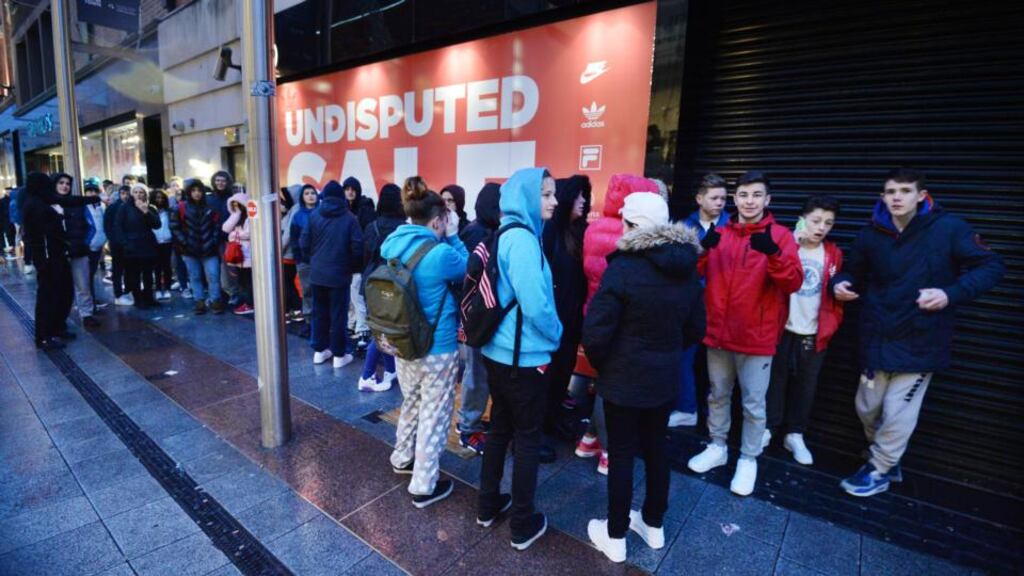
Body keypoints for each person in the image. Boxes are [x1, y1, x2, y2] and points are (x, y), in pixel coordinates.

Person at [832, 168, 1004, 497]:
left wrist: (950, 293)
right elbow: (852, 270)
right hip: (877, 335)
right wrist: (838, 283)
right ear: (883, 196)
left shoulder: (949, 228)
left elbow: (992, 266)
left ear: (921, 195)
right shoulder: (871, 233)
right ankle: (888, 456)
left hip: (922, 338)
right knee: (866, 407)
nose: (897, 197)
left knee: (898, 411)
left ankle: (880, 468)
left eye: (905, 191)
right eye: (891, 191)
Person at [583, 193, 705, 563]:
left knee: (620, 455)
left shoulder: (624, 267)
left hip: (624, 379)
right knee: (657, 449)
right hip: (664, 378)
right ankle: (653, 525)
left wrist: (608, 366)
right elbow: (695, 328)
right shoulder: (687, 265)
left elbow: (596, 333)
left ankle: (616, 535)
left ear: (632, 226)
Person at [687, 170, 803, 497]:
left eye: (756, 195)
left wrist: (774, 254)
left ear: (767, 200)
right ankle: (718, 446)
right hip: (718, 334)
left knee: (753, 404)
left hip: (756, 338)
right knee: (717, 394)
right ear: (734, 199)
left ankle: (749, 458)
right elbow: (691, 272)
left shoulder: (780, 236)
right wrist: (702, 250)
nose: (749, 201)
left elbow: (793, 282)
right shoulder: (720, 233)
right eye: (743, 195)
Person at [477, 167, 562, 551]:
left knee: (499, 430)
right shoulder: (524, 241)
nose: (553, 201)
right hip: (523, 359)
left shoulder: (503, 233)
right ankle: (522, 524)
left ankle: (488, 505)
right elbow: (537, 305)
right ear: (528, 197)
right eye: (545, 194)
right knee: (526, 440)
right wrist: (558, 335)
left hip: (497, 352)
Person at [380, 179, 467, 507]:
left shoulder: (392, 243)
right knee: (436, 411)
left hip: (403, 343)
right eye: (444, 220)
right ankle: (424, 483)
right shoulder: (442, 253)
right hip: (437, 347)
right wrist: (455, 235)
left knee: (412, 401)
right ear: (437, 221)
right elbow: (469, 267)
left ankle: (402, 457)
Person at [572, 174, 662, 475]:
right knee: (608, 386)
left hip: (593, 311)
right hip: (622, 321)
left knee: (597, 379)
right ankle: (608, 451)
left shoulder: (593, 228)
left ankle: (589, 438)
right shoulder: (635, 236)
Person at [763, 195, 845, 466]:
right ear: (803, 219)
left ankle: (795, 434)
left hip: (813, 331)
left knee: (806, 387)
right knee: (774, 383)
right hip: (781, 328)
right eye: (816, 221)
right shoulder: (788, 246)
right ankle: (769, 429)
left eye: (828, 223)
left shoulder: (833, 254)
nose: (821, 227)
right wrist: (792, 247)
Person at [675, 174, 731, 428]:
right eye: (714, 197)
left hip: (723, 307)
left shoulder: (733, 226)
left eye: (723, 198)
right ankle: (687, 409)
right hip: (689, 305)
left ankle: (716, 420)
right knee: (684, 358)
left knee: (719, 367)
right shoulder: (684, 226)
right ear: (700, 198)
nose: (720, 202)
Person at [21, 172, 100, 349]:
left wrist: (92, 199)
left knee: (63, 293)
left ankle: (56, 328)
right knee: (49, 297)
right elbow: (42, 232)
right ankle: (44, 336)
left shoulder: (41, 200)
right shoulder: (35, 204)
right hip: (48, 258)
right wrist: (58, 217)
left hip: (56, 255)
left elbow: (68, 201)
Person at [543, 175, 591, 439]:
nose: (583, 201)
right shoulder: (550, 232)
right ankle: (540, 430)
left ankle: (552, 421)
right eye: (578, 195)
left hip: (571, 322)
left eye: (585, 195)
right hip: (553, 323)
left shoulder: (580, 232)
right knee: (548, 379)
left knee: (562, 376)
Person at [456, 182, 502, 455]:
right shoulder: (476, 235)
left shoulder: (486, 231)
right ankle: (468, 428)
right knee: (476, 374)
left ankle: (472, 422)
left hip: (480, 318)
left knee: (480, 373)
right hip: (475, 319)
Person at [300, 180, 363, 368]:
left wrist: (314, 261)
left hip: (318, 273)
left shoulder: (314, 216)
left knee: (319, 313)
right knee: (338, 315)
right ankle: (339, 355)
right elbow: (358, 248)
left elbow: (303, 243)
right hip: (340, 275)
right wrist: (351, 268)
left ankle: (319, 351)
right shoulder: (350, 218)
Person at [357, 183, 405, 392]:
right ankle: (366, 375)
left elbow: (365, 256)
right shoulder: (402, 229)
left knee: (379, 328)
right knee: (383, 332)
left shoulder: (371, 226)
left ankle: (391, 369)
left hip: (371, 283)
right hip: (391, 285)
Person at [171, 179, 224, 315]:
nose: (197, 193)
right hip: (189, 250)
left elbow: (217, 226)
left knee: (213, 275)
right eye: (193, 190)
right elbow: (175, 227)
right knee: (194, 277)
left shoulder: (210, 207)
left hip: (209, 249)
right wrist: (185, 242)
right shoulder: (181, 207)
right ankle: (199, 301)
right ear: (189, 192)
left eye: (199, 190)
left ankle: (215, 300)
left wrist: (213, 241)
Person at [54, 173, 99, 328]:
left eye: (67, 183)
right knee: (60, 288)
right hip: (57, 253)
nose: (64, 186)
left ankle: (87, 314)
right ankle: (60, 318)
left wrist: (84, 244)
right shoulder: (49, 204)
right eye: (61, 182)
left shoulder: (79, 204)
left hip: (79, 251)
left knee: (83, 285)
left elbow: (91, 226)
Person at [343, 176, 375, 350]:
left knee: (358, 297)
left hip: (360, 261)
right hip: (348, 261)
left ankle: (362, 329)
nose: (349, 192)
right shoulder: (344, 209)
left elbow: (366, 238)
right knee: (351, 297)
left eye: (352, 189)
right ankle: (352, 323)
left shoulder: (365, 208)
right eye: (347, 189)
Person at [117, 184, 161, 309]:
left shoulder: (150, 207)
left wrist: (146, 212)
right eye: (135, 192)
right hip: (131, 246)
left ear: (145, 194)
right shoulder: (124, 208)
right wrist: (124, 243)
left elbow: (157, 224)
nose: (138, 194)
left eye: (141, 192)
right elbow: (118, 227)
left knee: (148, 274)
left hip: (147, 244)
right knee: (134, 275)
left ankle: (149, 297)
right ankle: (138, 299)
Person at [208, 170, 239, 306]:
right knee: (213, 269)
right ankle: (218, 295)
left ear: (228, 182)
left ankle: (233, 293)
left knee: (228, 269)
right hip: (211, 238)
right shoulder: (209, 199)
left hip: (228, 239)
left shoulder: (233, 198)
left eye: (223, 180)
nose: (220, 183)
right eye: (218, 180)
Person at [290, 184, 319, 324]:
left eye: (312, 193)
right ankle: (308, 319)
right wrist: (299, 258)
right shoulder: (297, 216)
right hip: (304, 260)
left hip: (320, 259)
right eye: (307, 193)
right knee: (307, 290)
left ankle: (321, 319)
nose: (310, 196)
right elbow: (293, 239)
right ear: (302, 197)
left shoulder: (322, 213)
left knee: (321, 290)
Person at [222, 191, 254, 315]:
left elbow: (249, 233)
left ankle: (250, 304)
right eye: (233, 204)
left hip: (248, 253)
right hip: (238, 255)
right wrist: (236, 214)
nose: (236, 206)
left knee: (248, 281)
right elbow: (225, 228)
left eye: (238, 204)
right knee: (242, 281)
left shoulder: (250, 217)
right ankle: (248, 302)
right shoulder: (236, 217)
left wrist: (233, 235)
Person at [83, 182, 108, 315]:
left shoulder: (101, 206)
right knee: (87, 276)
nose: (92, 194)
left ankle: (91, 300)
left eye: (94, 191)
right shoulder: (82, 206)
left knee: (91, 274)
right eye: (89, 191)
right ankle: (89, 303)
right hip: (88, 246)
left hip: (98, 246)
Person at [104, 185, 132, 305]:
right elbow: (107, 225)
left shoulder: (132, 206)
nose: (125, 195)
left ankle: (128, 291)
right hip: (117, 243)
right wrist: (113, 239)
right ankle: (118, 293)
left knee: (130, 268)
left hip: (130, 242)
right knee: (118, 269)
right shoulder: (113, 207)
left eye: (127, 193)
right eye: (123, 193)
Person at [280, 186, 303, 317]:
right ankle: (293, 309)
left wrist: (279, 249)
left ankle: (295, 308)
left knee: (287, 282)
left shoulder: (296, 209)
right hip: (289, 252)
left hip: (287, 253)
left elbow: (288, 232)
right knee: (288, 282)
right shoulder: (294, 208)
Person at [151, 189, 175, 301]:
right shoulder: (150, 210)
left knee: (166, 266)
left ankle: (167, 289)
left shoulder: (169, 211)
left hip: (167, 241)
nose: (159, 200)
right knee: (156, 267)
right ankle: (158, 289)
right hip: (154, 242)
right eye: (157, 197)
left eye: (161, 197)